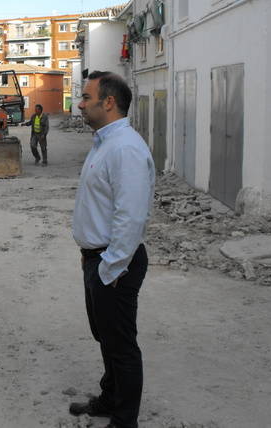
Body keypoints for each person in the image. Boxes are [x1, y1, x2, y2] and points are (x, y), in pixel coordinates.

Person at [69, 71, 155, 428]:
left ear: (109, 102)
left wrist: (111, 267)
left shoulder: (126, 148)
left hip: (114, 262)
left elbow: (130, 216)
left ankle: (124, 420)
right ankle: (110, 398)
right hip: (99, 259)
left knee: (121, 345)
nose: (80, 103)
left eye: (87, 97)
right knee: (106, 336)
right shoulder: (105, 143)